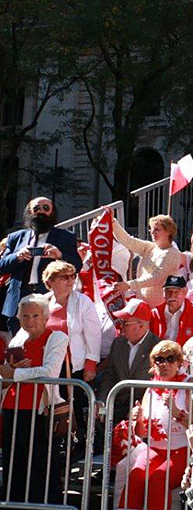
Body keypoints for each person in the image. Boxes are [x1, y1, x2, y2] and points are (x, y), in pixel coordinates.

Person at [0, 294, 70, 503]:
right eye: (25, 316)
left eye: (35, 315)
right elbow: (7, 374)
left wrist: (14, 374)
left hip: (40, 410)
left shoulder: (57, 338)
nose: (29, 320)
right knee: (14, 466)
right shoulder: (16, 339)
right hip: (12, 407)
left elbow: (49, 371)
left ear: (45, 317)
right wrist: (8, 373)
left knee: (41, 466)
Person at [120, 339, 193, 510]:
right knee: (136, 476)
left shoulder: (190, 384)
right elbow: (142, 433)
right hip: (155, 449)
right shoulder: (150, 388)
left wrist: (177, 412)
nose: (165, 364)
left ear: (179, 363)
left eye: (170, 359)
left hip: (183, 449)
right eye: (159, 359)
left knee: (159, 478)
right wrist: (136, 419)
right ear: (153, 364)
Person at [0, 196, 82, 332]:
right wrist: (18, 256)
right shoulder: (16, 238)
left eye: (45, 208)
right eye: (36, 208)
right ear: (30, 212)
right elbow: (2, 265)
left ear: (52, 212)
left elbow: (77, 266)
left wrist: (60, 255)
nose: (41, 212)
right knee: (18, 345)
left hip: (48, 296)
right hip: (19, 298)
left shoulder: (66, 237)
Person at [97, 299, 161, 424]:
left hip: (144, 410)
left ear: (141, 326)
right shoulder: (118, 343)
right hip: (116, 405)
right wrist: (101, 401)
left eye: (125, 323)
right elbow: (109, 376)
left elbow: (159, 385)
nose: (121, 327)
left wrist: (141, 408)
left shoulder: (158, 347)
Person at [43, 259, 100, 385]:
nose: (71, 281)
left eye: (73, 276)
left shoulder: (83, 301)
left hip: (74, 366)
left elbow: (94, 335)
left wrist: (91, 364)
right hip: (47, 364)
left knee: (73, 403)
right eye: (64, 277)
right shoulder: (42, 301)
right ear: (50, 281)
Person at [152, 275, 193, 346]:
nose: (172, 295)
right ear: (163, 292)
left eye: (177, 291)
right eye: (168, 291)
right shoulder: (155, 313)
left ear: (185, 292)